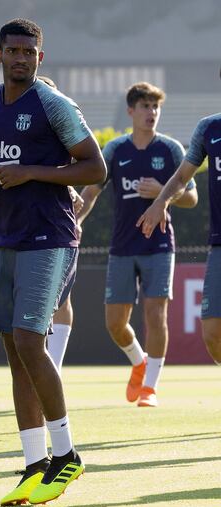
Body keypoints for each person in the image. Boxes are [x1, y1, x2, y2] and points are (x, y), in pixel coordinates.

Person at [0, 18, 106, 506]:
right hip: (4, 237)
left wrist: (32, 174)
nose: (22, 58)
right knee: (15, 352)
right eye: (13, 50)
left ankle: (67, 456)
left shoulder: (53, 104)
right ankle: (34, 464)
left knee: (30, 338)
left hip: (51, 237)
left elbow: (95, 167)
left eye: (30, 51)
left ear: (40, 58)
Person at [77, 82, 198, 407]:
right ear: (131, 111)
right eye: (145, 106)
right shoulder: (116, 149)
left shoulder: (171, 149)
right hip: (121, 246)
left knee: (155, 314)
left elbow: (192, 197)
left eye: (155, 107)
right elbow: (90, 193)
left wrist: (163, 191)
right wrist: (75, 223)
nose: (151, 112)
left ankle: (151, 387)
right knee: (115, 323)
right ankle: (139, 361)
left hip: (159, 245)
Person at [137, 73, 221, 366]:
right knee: (212, 333)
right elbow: (183, 176)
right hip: (219, 245)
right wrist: (160, 202)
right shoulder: (209, 128)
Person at [38, 75, 84, 371]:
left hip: (59, 226)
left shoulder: (65, 130)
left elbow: (81, 168)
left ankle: (52, 369)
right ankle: (40, 369)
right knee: (35, 302)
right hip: (21, 227)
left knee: (60, 300)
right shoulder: (12, 126)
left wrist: (70, 191)